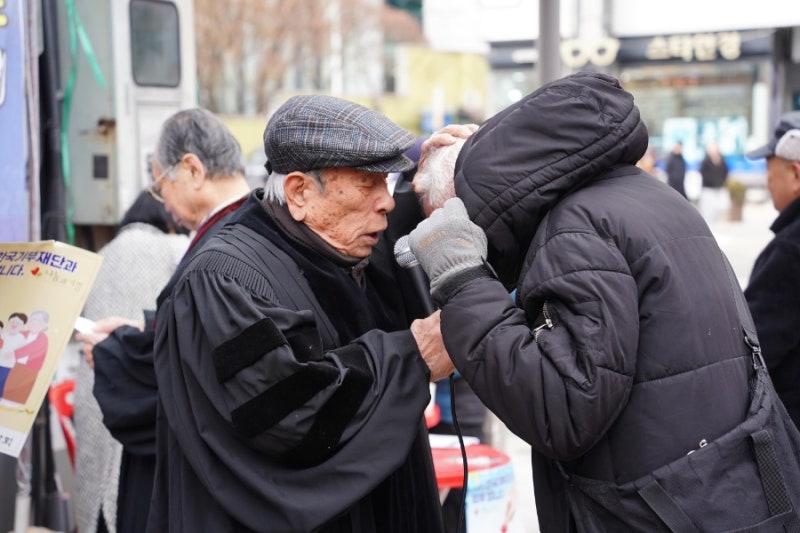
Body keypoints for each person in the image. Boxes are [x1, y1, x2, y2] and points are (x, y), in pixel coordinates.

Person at [407, 72, 796, 531]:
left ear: (462, 203)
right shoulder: (641, 195)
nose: (442, 231)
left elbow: (563, 413)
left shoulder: (575, 229)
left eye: (440, 218)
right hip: (714, 494)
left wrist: (462, 278)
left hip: (659, 509)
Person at [148, 94, 449, 532]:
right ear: (299, 192)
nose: (386, 201)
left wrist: (455, 168)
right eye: (368, 184)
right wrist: (412, 357)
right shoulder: (222, 280)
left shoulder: (345, 242)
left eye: (385, 183)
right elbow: (291, 419)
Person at [75, 108, 251, 533]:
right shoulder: (243, 227)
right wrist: (137, 334)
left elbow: (204, 369)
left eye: (160, 185)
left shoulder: (222, 248)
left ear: (192, 170)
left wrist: (117, 354)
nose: (163, 204)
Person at [72, 190, 190, 533]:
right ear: (167, 220)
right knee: (131, 496)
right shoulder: (177, 248)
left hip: (95, 384)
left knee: (96, 493)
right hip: (141, 391)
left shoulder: (100, 256)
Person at [411, 131, 490, 533]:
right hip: (432, 394)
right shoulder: (412, 239)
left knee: (465, 493)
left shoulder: (490, 236)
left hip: (468, 391)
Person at [744, 112, 800, 429]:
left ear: (795, 174)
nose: (768, 181)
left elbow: (755, 348)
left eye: (769, 169)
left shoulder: (791, 250)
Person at [3, 309, 49, 405]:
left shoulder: (42, 338)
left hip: (29, 369)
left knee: (19, 393)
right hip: (14, 366)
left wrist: (15, 353)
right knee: (6, 389)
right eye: (32, 319)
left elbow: (31, 348)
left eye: (38, 320)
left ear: (44, 324)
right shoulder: (22, 333)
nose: (34, 322)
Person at [699, 140, 730, 222]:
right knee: (708, 213)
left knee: (722, 207)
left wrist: (722, 182)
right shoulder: (705, 162)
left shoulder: (722, 160)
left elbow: (725, 172)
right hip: (708, 189)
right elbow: (704, 174)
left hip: (720, 189)